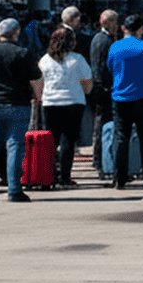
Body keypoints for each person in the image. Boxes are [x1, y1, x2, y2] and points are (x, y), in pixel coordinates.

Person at [0, 19, 43, 202]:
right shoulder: (23, 53)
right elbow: (36, 78)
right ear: (16, 33)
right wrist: (38, 97)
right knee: (15, 147)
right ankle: (14, 190)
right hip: (18, 105)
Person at [107, 13, 143, 189]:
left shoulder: (115, 47)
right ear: (141, 29)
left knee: (121, 138)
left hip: (120, 97)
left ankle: (119, 178)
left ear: (124, 28)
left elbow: (110, 67)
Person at [38, 26, 92, 188]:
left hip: (51, 104)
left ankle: (50, 175)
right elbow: (88, 82)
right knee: (69, 141)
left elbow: (39, 81)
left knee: (51, 142)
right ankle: (65, 177)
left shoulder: (45, 60)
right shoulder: (77, 59)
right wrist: (81, 92)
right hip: (73, 103)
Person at [87, 10, 119, 170]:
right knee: (102, 124)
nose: (117, 26)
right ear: (106, 23)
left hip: (100, 88)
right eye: (115, 22)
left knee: (101, 124)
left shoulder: (99, 39)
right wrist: (106, 87)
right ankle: (100, 159)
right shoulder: (104, 41)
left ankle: (100, 157)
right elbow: (101, 67)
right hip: (103, 90)